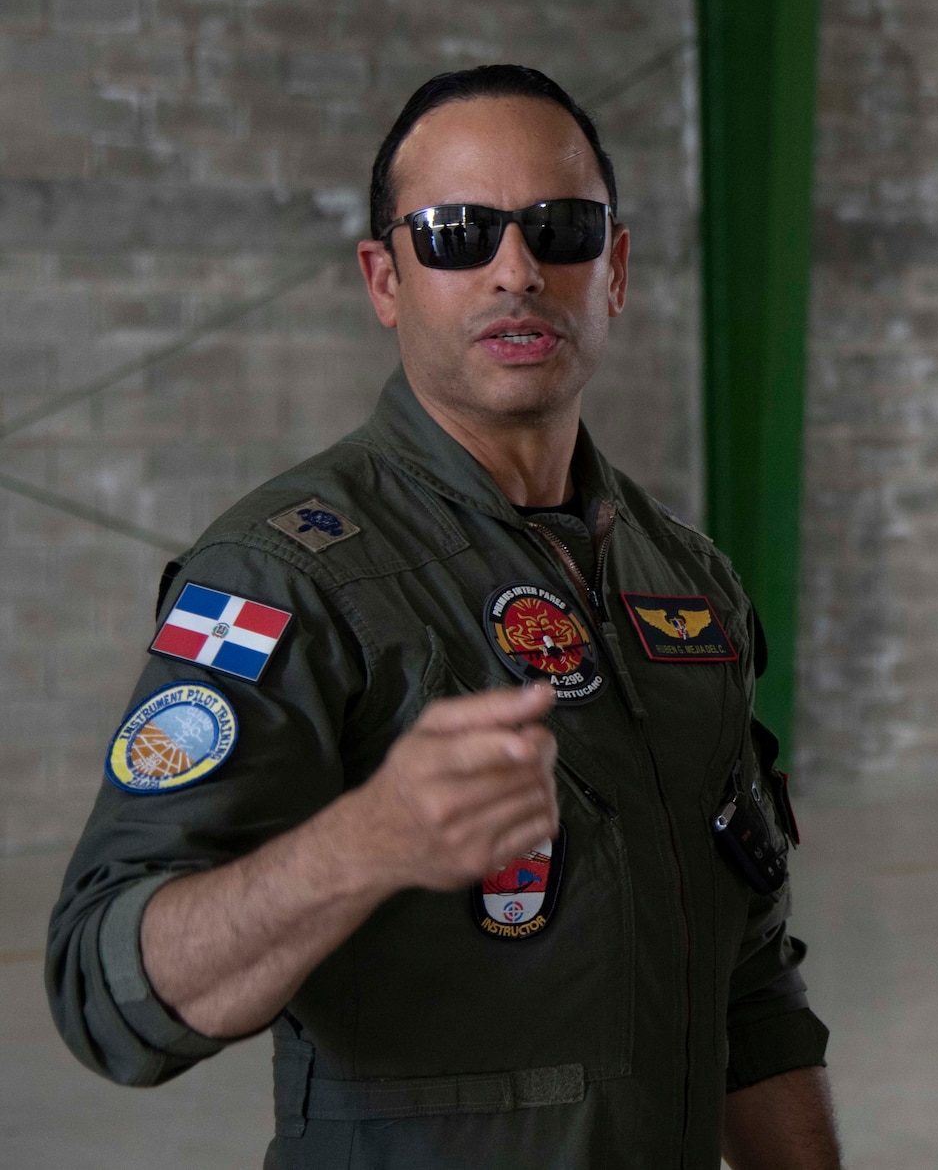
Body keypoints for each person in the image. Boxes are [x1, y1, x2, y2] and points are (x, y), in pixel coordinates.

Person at [46, 65, 841, 1169]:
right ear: (385, 278)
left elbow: (748, 973)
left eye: (560, 228)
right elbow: (103, 990)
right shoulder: (281, 579)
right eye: (455, 233)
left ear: (612, 269)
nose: (515, 270)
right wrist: (360, 845)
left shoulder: (686, 580)